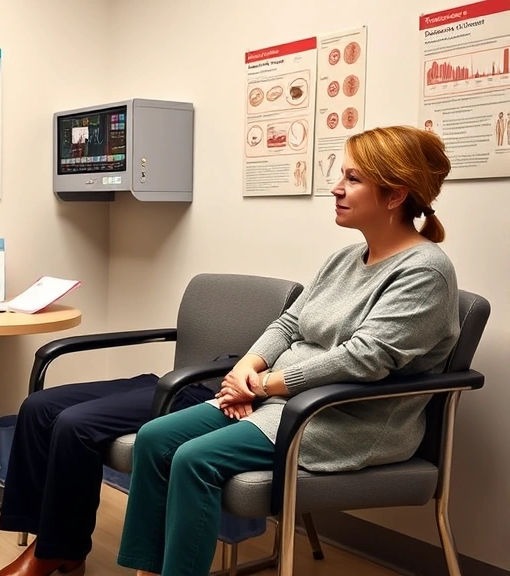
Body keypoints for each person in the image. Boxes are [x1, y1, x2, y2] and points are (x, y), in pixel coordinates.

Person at [116, 125, 460, 576]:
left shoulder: (425, 272)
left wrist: (264, 385)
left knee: (194, 459)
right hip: (282, 400)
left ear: (395, 195)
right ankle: (150, 570)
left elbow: (365, 357)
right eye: (343, 176)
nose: (336, 189)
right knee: (155, 438)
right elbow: (289, 322)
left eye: (353, 179)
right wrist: (243, 371)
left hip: (344, 418)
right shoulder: (344, 259)